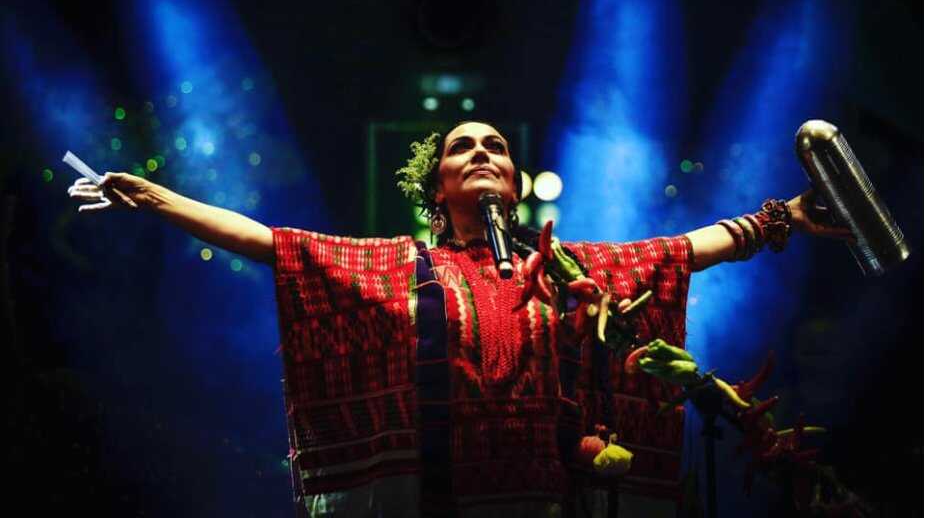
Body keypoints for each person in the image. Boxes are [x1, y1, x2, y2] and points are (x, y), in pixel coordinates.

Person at [67, 121, 850, 517]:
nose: (480, 152)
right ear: (435, 186)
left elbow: (678, 253)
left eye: (496, 147)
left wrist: (780, 217)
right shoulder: (393, 266)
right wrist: (158, 198)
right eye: (461, 147)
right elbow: (274, 245)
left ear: (514, 180)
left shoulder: (570, 270)